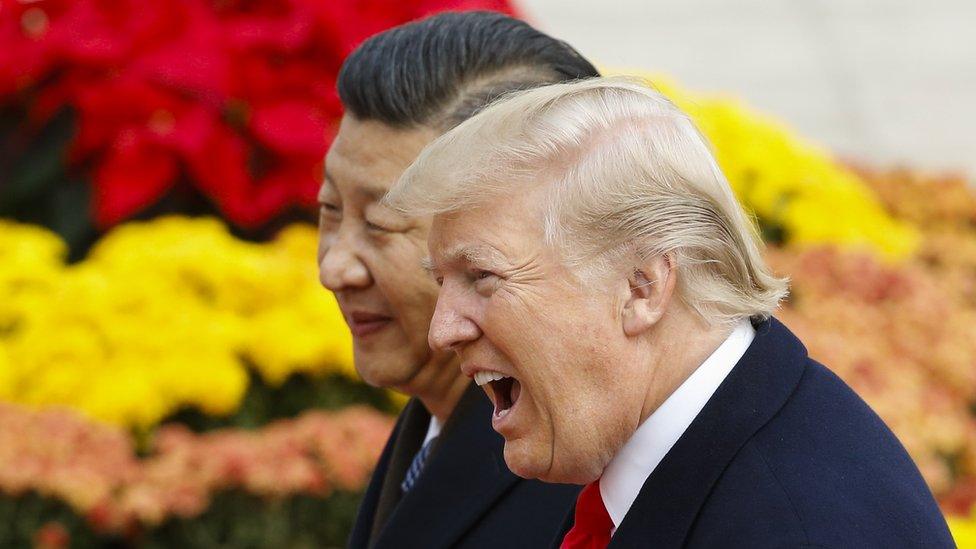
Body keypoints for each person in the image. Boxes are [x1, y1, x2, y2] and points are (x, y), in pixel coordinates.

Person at [385, 77, 955, 548]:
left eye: (482, 277)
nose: (441, 331)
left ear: (642, 287)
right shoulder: (686, 453)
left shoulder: (795, 526)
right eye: (440, 282)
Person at [317, 11, 599, 548]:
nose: (335, 268)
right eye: (329, 209)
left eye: (379, 224)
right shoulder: (436, 411)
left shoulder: (576, 477)